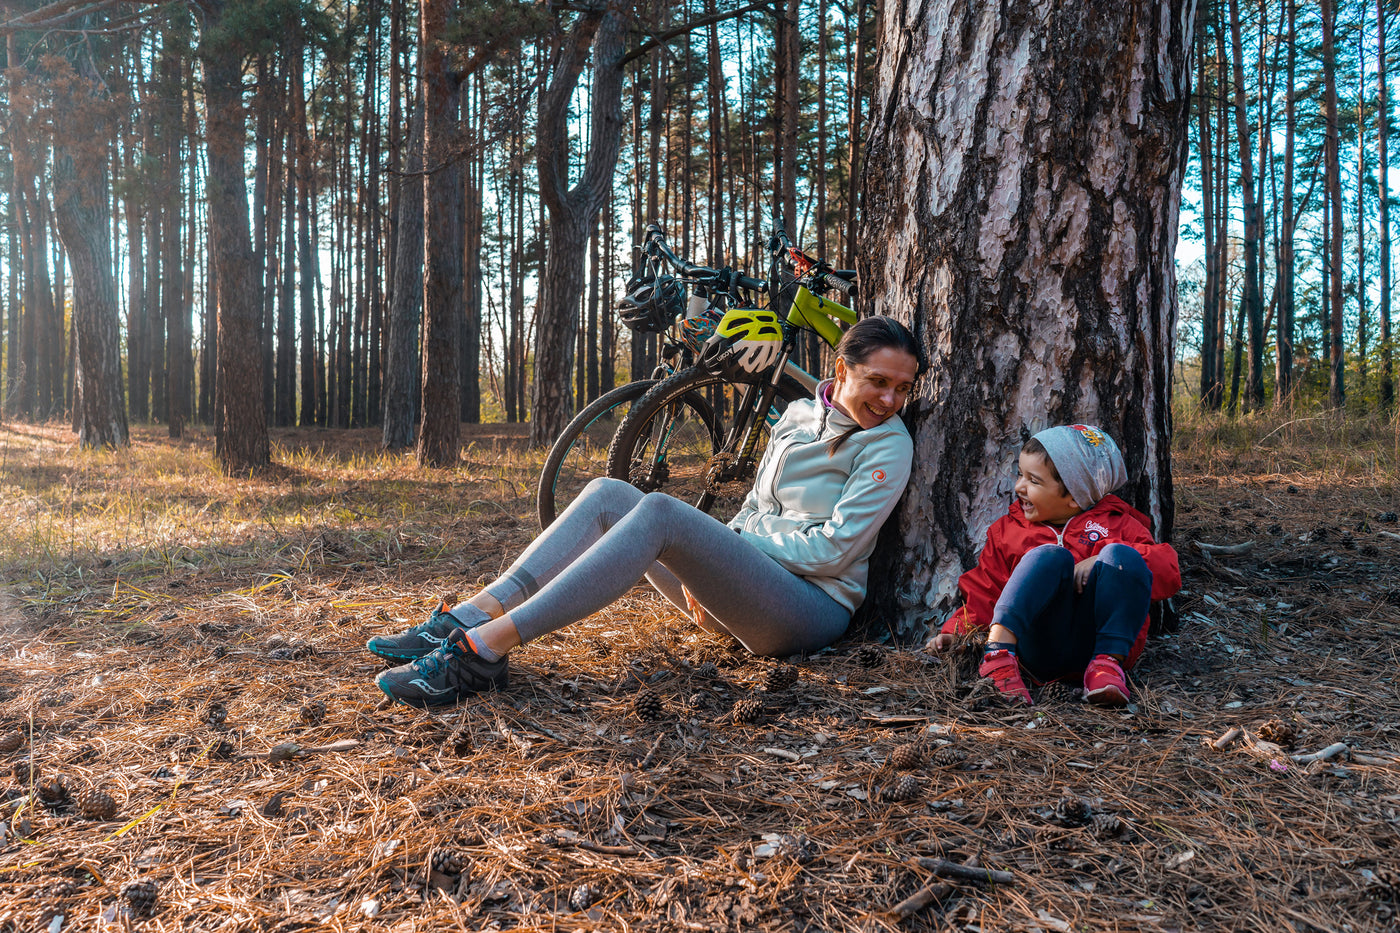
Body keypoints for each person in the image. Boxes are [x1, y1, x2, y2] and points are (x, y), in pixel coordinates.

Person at [369, 316, 925, 708]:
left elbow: (833, 550)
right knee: (610, 492)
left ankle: (483, 653)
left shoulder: (889, 445)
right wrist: (715, 568)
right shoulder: (799, 414)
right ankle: (472, 613)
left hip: (811, 608)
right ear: (842, 368)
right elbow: (757, 505)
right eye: (878, 381)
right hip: (754, 587)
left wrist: (726, 551)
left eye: (902, 388)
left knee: (661, 512)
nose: (890, 401)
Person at [924, 424, 1180, 707]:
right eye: (1020, 475)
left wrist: (1102, 557)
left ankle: (1106, 667)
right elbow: (986, 589)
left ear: (1074, 496)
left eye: (1033, 481)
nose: (1019, 487)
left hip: (1098, 644)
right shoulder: (1009, 531)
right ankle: (997, 657)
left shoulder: (1118, 525)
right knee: (1050, 556)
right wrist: (954, 631)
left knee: (1124, 557)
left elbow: (1167, 570)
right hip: (1037, 647)